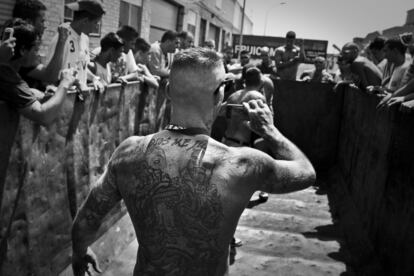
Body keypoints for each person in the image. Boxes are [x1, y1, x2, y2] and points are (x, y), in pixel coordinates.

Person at [71, 48, 315, 276]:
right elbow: (306, 171)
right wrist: (271, 132)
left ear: (167, 91)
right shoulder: (242, 164)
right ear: (220, 94)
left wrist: (80, 252)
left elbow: (85, 222)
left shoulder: (129, 152)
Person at [0, 19, 77, 126]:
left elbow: (49, 75)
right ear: (23, 50)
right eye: (36, 49)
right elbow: (44, 116)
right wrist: (65, 83)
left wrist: (30, 92)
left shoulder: (8, 72)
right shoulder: (8, 76)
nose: (39, 54)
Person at [45, 0, 105, 91]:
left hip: (77, 99)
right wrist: (77, 83)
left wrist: (94, 78)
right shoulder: (62, 38)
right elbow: (51, 75)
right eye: (96, 23)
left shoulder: (84, 38)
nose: (96, 27)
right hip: (63, 97)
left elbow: (82, 67)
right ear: (85, 21)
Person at [11, 0, 69, 87]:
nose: (45, 26)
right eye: (42, 21)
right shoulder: (18, 49)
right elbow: (51, 75)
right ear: (29, 22)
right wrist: (61, 41)